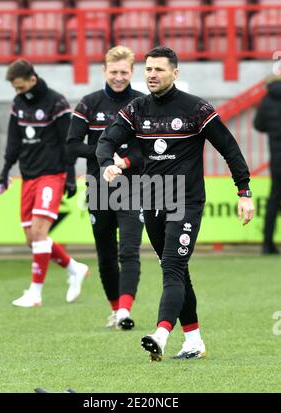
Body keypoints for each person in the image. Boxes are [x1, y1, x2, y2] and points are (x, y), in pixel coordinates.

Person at [96, 46, 254, 361]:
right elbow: (107, 140)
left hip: (186, 200)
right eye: (148, 69)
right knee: (178, 271)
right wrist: (106, 165)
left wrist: (244, 191)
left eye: (159, 70)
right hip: (152, 197)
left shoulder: (196, 109)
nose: (152, 75)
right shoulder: (136, 109)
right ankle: (193, 341)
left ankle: (162, 333)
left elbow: (229, 147)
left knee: (171, 267)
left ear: (175, 73)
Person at [0, 59, 89, 308]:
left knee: (39, 233)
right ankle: (74, 268)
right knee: (31, 238)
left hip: (52, 174)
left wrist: (69, 175)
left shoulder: (56, 102)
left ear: (32, 80)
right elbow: (13, 142)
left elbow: (68, 141)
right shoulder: (18, 104)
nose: (18, 93)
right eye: (15, 89)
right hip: (28, 176)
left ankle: (35, 293)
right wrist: (5, 172)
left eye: (20, 88)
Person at [66, 46, 144, 330]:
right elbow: (72, 144)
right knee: (106, 254)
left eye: (124, 72)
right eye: (114, 72)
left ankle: (125, 310)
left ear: (132, 72)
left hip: (135, 185)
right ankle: (115, 309)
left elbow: (146, 150)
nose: (119, 77)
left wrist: (122, 161)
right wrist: (103, 154)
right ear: (104, 71)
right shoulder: (89, 103)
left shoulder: (143, 103)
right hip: (98, 187)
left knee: (129, 251)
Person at [254, 74, 281, 254]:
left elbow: (258, 125)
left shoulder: (266, 100)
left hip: (277, 157)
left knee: (274, 200)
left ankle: (267, 243)